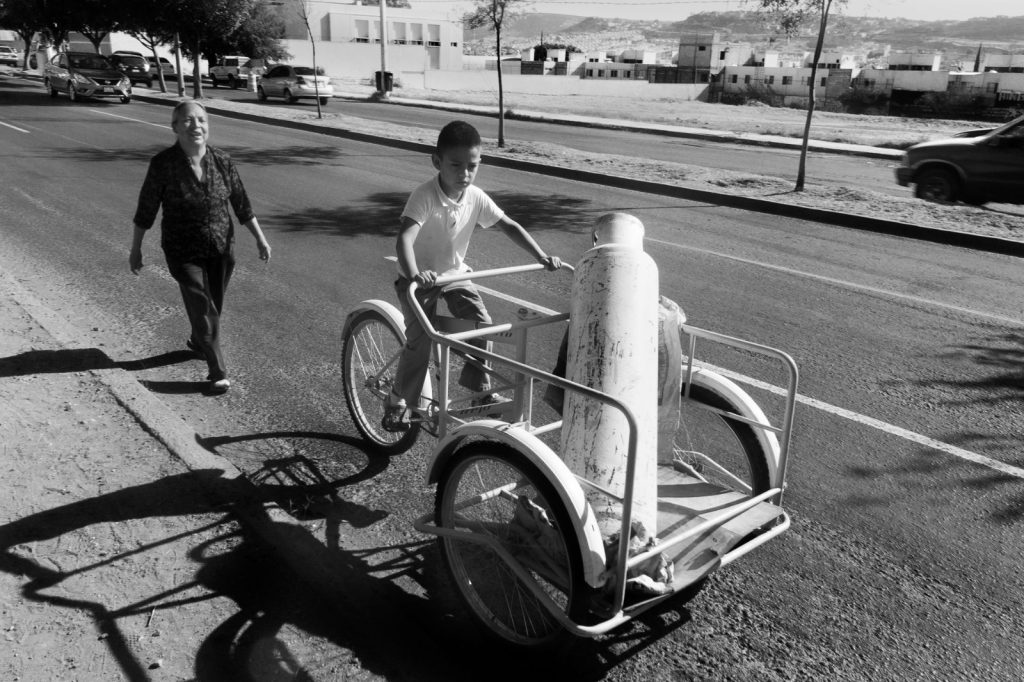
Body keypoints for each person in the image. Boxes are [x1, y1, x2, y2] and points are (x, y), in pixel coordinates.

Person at [384, 120, 562, 431]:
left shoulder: (475, 196)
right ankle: (399, 400)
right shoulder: (424, 195)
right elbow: (404, 239)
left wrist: (542, 256)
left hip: (453, 276)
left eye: (472, 166)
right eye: (456, 165)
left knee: (483, 329)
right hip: (419, 281)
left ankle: (480, 392)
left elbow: (509, 226)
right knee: (421, 340)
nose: (465, 174)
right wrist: (414, 276)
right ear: (437, 162)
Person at [129, 100, 271, 394]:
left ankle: (198, 339)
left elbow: (241, 204)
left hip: (221, 246)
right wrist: (136, 248)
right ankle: (217, 370)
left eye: (202, 120)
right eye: (188, 120)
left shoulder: (222, 160)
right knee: (204, 306)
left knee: (213, 305)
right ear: (175, 127)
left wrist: (259, 237)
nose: (196, 126)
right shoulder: (163, 164)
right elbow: (146, 209)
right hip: (182, 250)